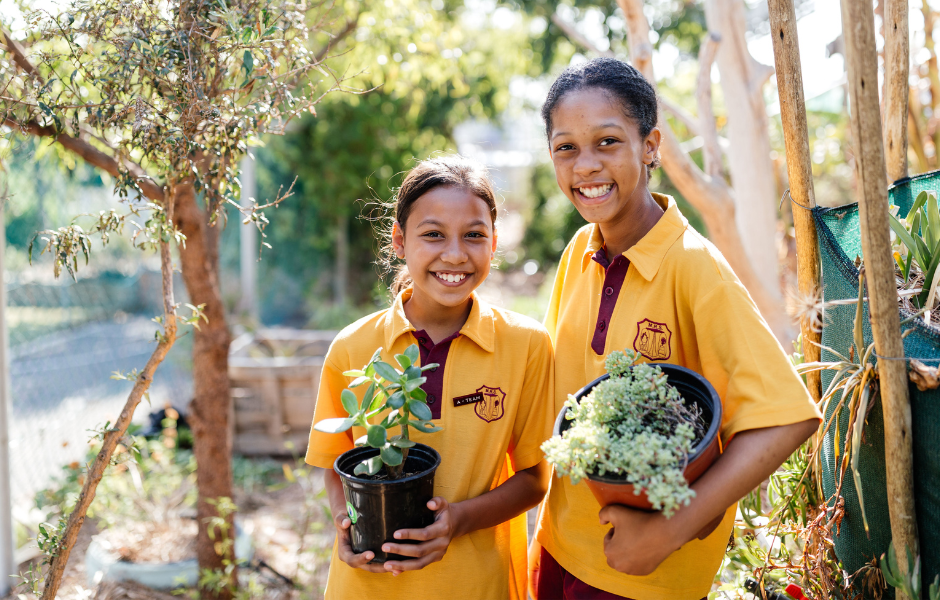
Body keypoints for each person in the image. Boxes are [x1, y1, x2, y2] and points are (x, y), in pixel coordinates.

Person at [529, 57, 822, 600]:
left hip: (646, 577)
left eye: (608, 142)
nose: (585, 165)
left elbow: (786, 419)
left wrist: (670, 530)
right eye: (565, 147)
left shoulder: (694, 266)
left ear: (651, 146)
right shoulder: (580, 250)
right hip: (560, 547)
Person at [305, 155, 554, 600]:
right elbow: (334, 465)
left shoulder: (527, 345)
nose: (455, 254)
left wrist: (458, 520)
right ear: (399, 240)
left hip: (478, 585)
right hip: (370, 586)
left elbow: (535, 479)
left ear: (494, 244)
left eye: (474, 235)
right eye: (433, 234)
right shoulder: (353, 347)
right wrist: (346, 524)